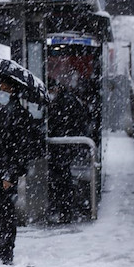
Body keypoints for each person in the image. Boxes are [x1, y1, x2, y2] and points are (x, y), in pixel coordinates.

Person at [0, 80, 36, 264]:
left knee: (6, 211)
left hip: (6, 169)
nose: (1, 91)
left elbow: (21, 148)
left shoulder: (20, 114)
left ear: (13, 91)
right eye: (0, 88)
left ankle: (6, 250)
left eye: (6, 89)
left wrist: (10, 174)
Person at [47, 80, 90, 223]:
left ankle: (63, 210)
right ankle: (64, 209)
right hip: (65, 145)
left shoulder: (64, 102)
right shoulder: (67, 99)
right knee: (62, 177)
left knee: (61, 178)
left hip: (63, 145)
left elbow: (60, 123)